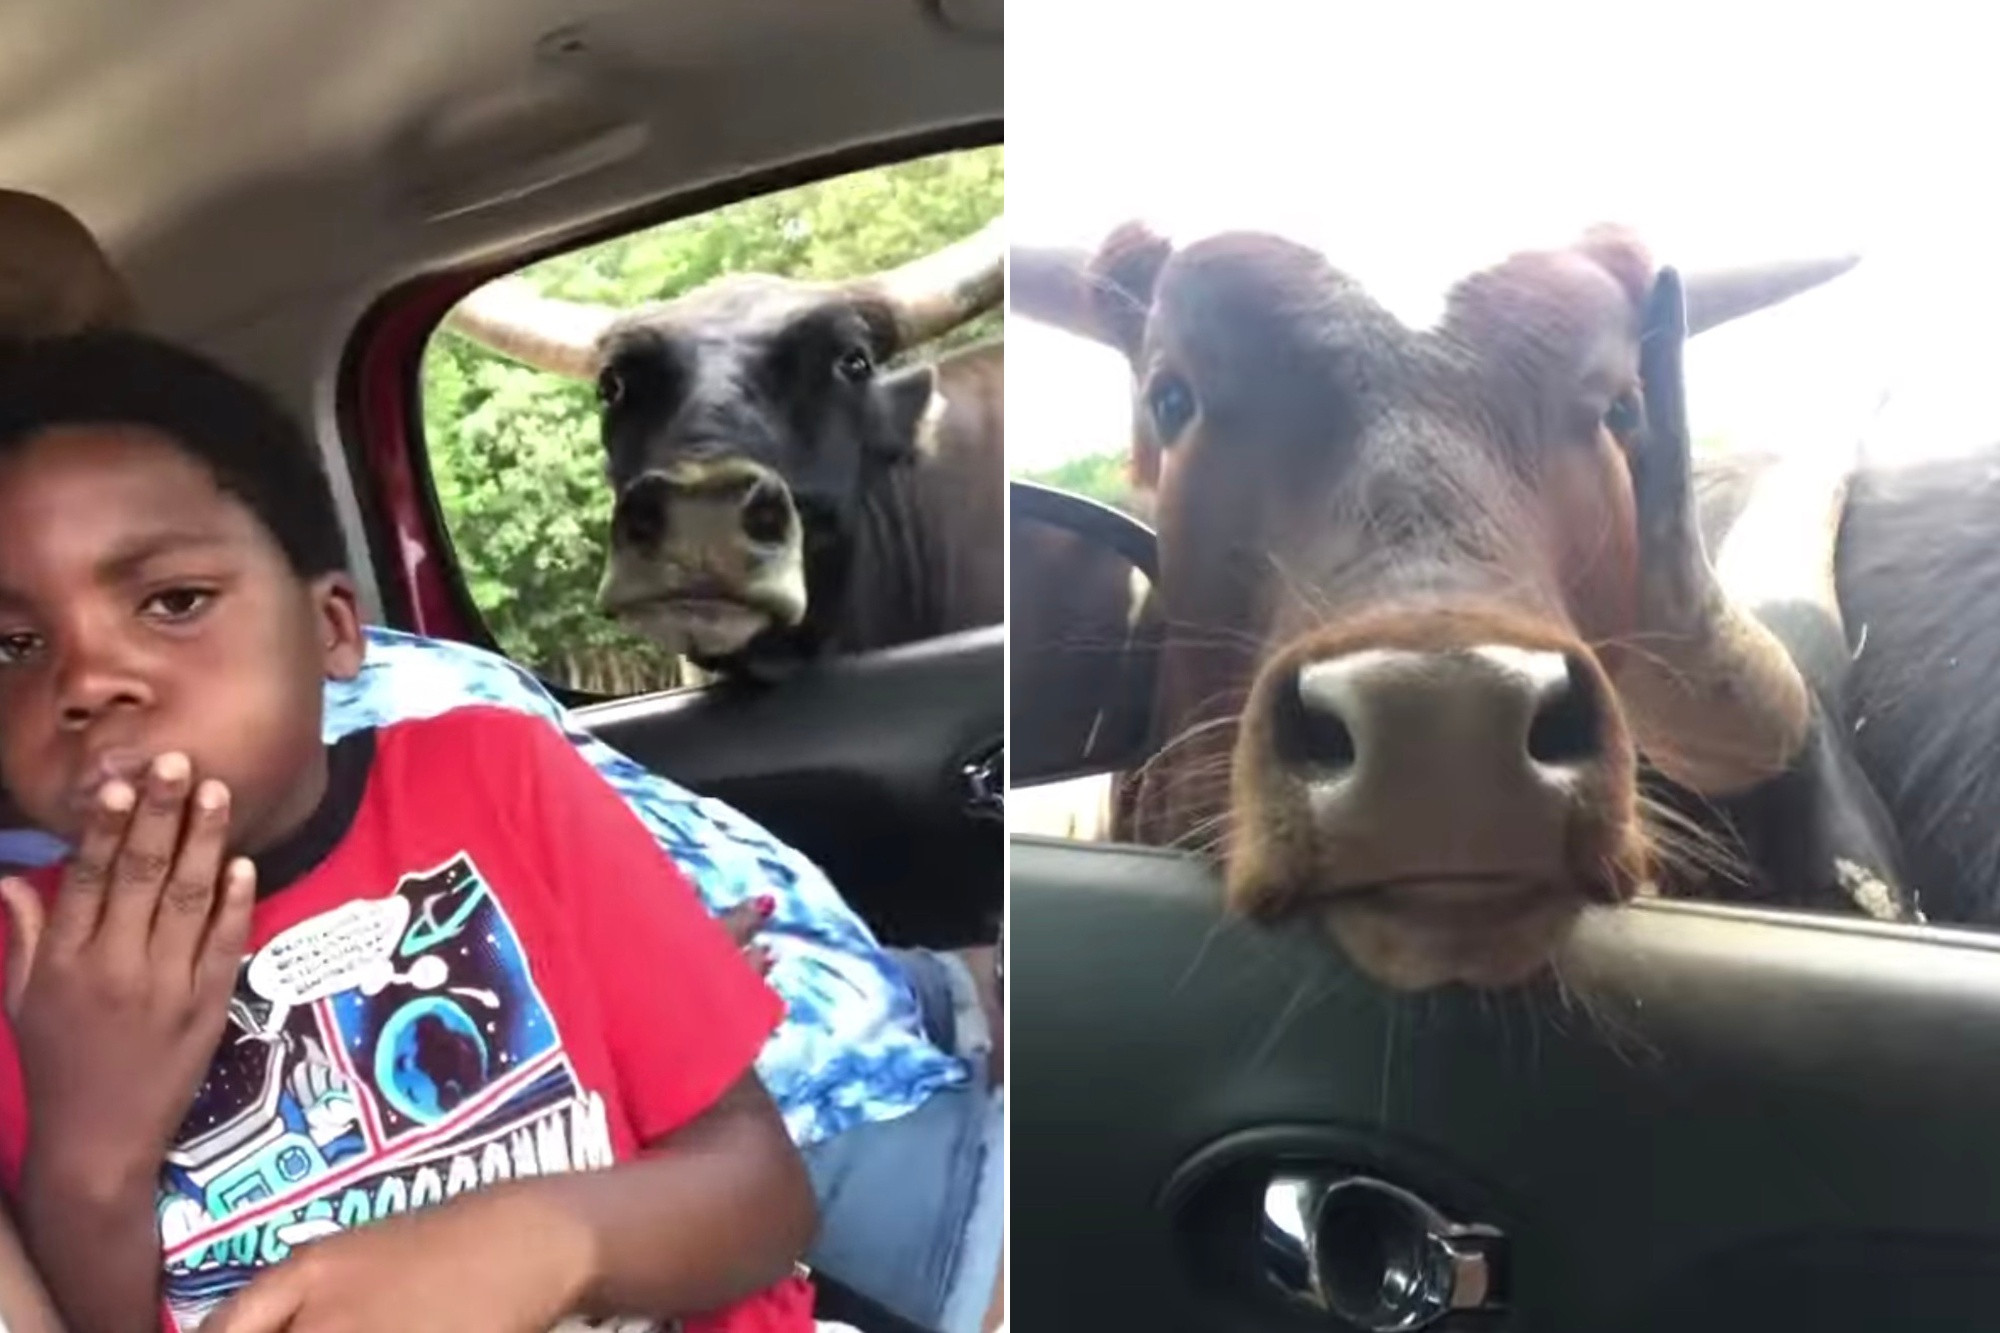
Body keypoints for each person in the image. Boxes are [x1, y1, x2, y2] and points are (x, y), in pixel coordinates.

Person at [0, 186, 1003, 1333]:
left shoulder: (493, 776)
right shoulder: (20, 968)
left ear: (333, 625)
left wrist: (557, 1232)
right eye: (10, 642)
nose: (85, 679)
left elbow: (753, 1190)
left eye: (171, 599)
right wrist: (89, 1153)